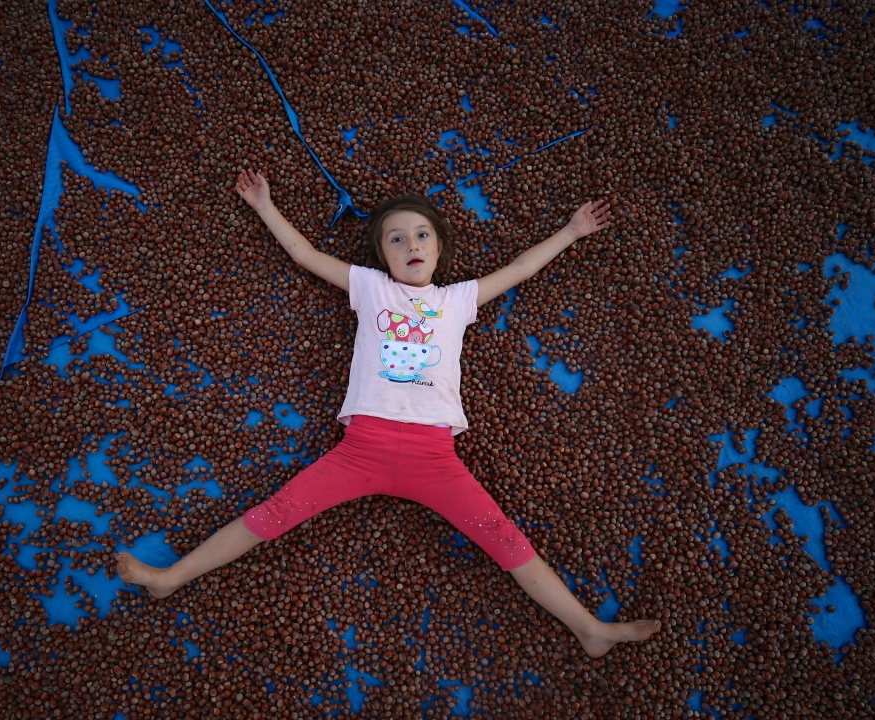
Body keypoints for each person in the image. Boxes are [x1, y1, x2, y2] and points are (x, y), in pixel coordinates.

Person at [116, 169, 661, 659]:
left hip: (435, 459)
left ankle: (589, 629)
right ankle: (171, 576)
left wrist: (571, 232)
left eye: (422, 235)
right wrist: (265, 206)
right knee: (276, 511)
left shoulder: (457, 300)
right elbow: (306, 256)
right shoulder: (372, 288)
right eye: (396, 239)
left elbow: (519, 268)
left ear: (440, 247)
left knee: (501, 534)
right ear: (382, 256)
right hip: (361, 451)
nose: (411, 244)